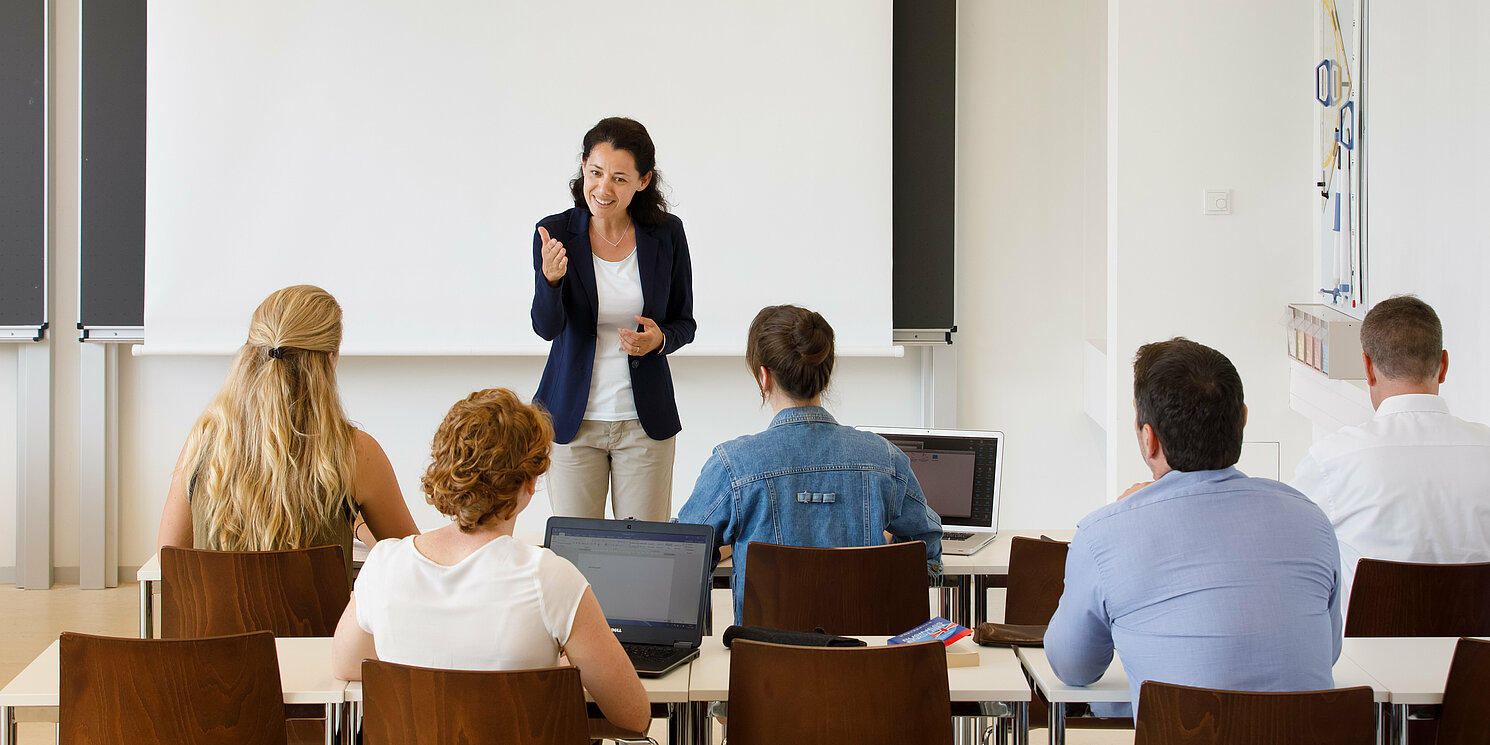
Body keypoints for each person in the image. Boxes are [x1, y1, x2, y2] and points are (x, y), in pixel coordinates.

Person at [1046, 338, 1341, 718]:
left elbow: (1074, 668)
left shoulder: (1104, 535)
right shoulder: (1311, 520)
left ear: (1148, 438)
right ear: (1243, 419)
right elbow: (1327, 649)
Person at [331, 388, 649, 734]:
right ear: (528, 484)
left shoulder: (384, 565)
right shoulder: (549, 578)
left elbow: (347, 665)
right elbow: (634, 716)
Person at [676, 305, 943, 626]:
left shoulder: (733, 464)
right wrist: (877, 551)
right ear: (826, 374)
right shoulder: (884, 458)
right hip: (865, 663)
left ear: (764, 377)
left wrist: (726, 550)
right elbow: (926, 548)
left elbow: (683, 555)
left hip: (763, 664)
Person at [156, 285, 418, 582]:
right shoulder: (355, 452)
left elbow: (170, 560)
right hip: (321, 631)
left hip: (214, 630)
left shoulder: (203, 440)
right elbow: (410, 563)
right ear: (330, 358)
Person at [531, 116, 695, 523]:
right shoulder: (554, 233)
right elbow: (546, 327)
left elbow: (684, 323)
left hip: (643, 423)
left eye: (619, 178)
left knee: (644, 555)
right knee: (576, 553)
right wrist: (551, 281)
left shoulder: (667, 235)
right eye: (595, 172)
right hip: (572, 419)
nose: (603, 189)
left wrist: (658, 340)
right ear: (583, 166)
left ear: (643, 181)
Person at [1292, 295, 1490, 606]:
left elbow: (1291, 558)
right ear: (1443, 366)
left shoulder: (1331, 460)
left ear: (1367, 368)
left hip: (1368, 653)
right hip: (1475, 653)